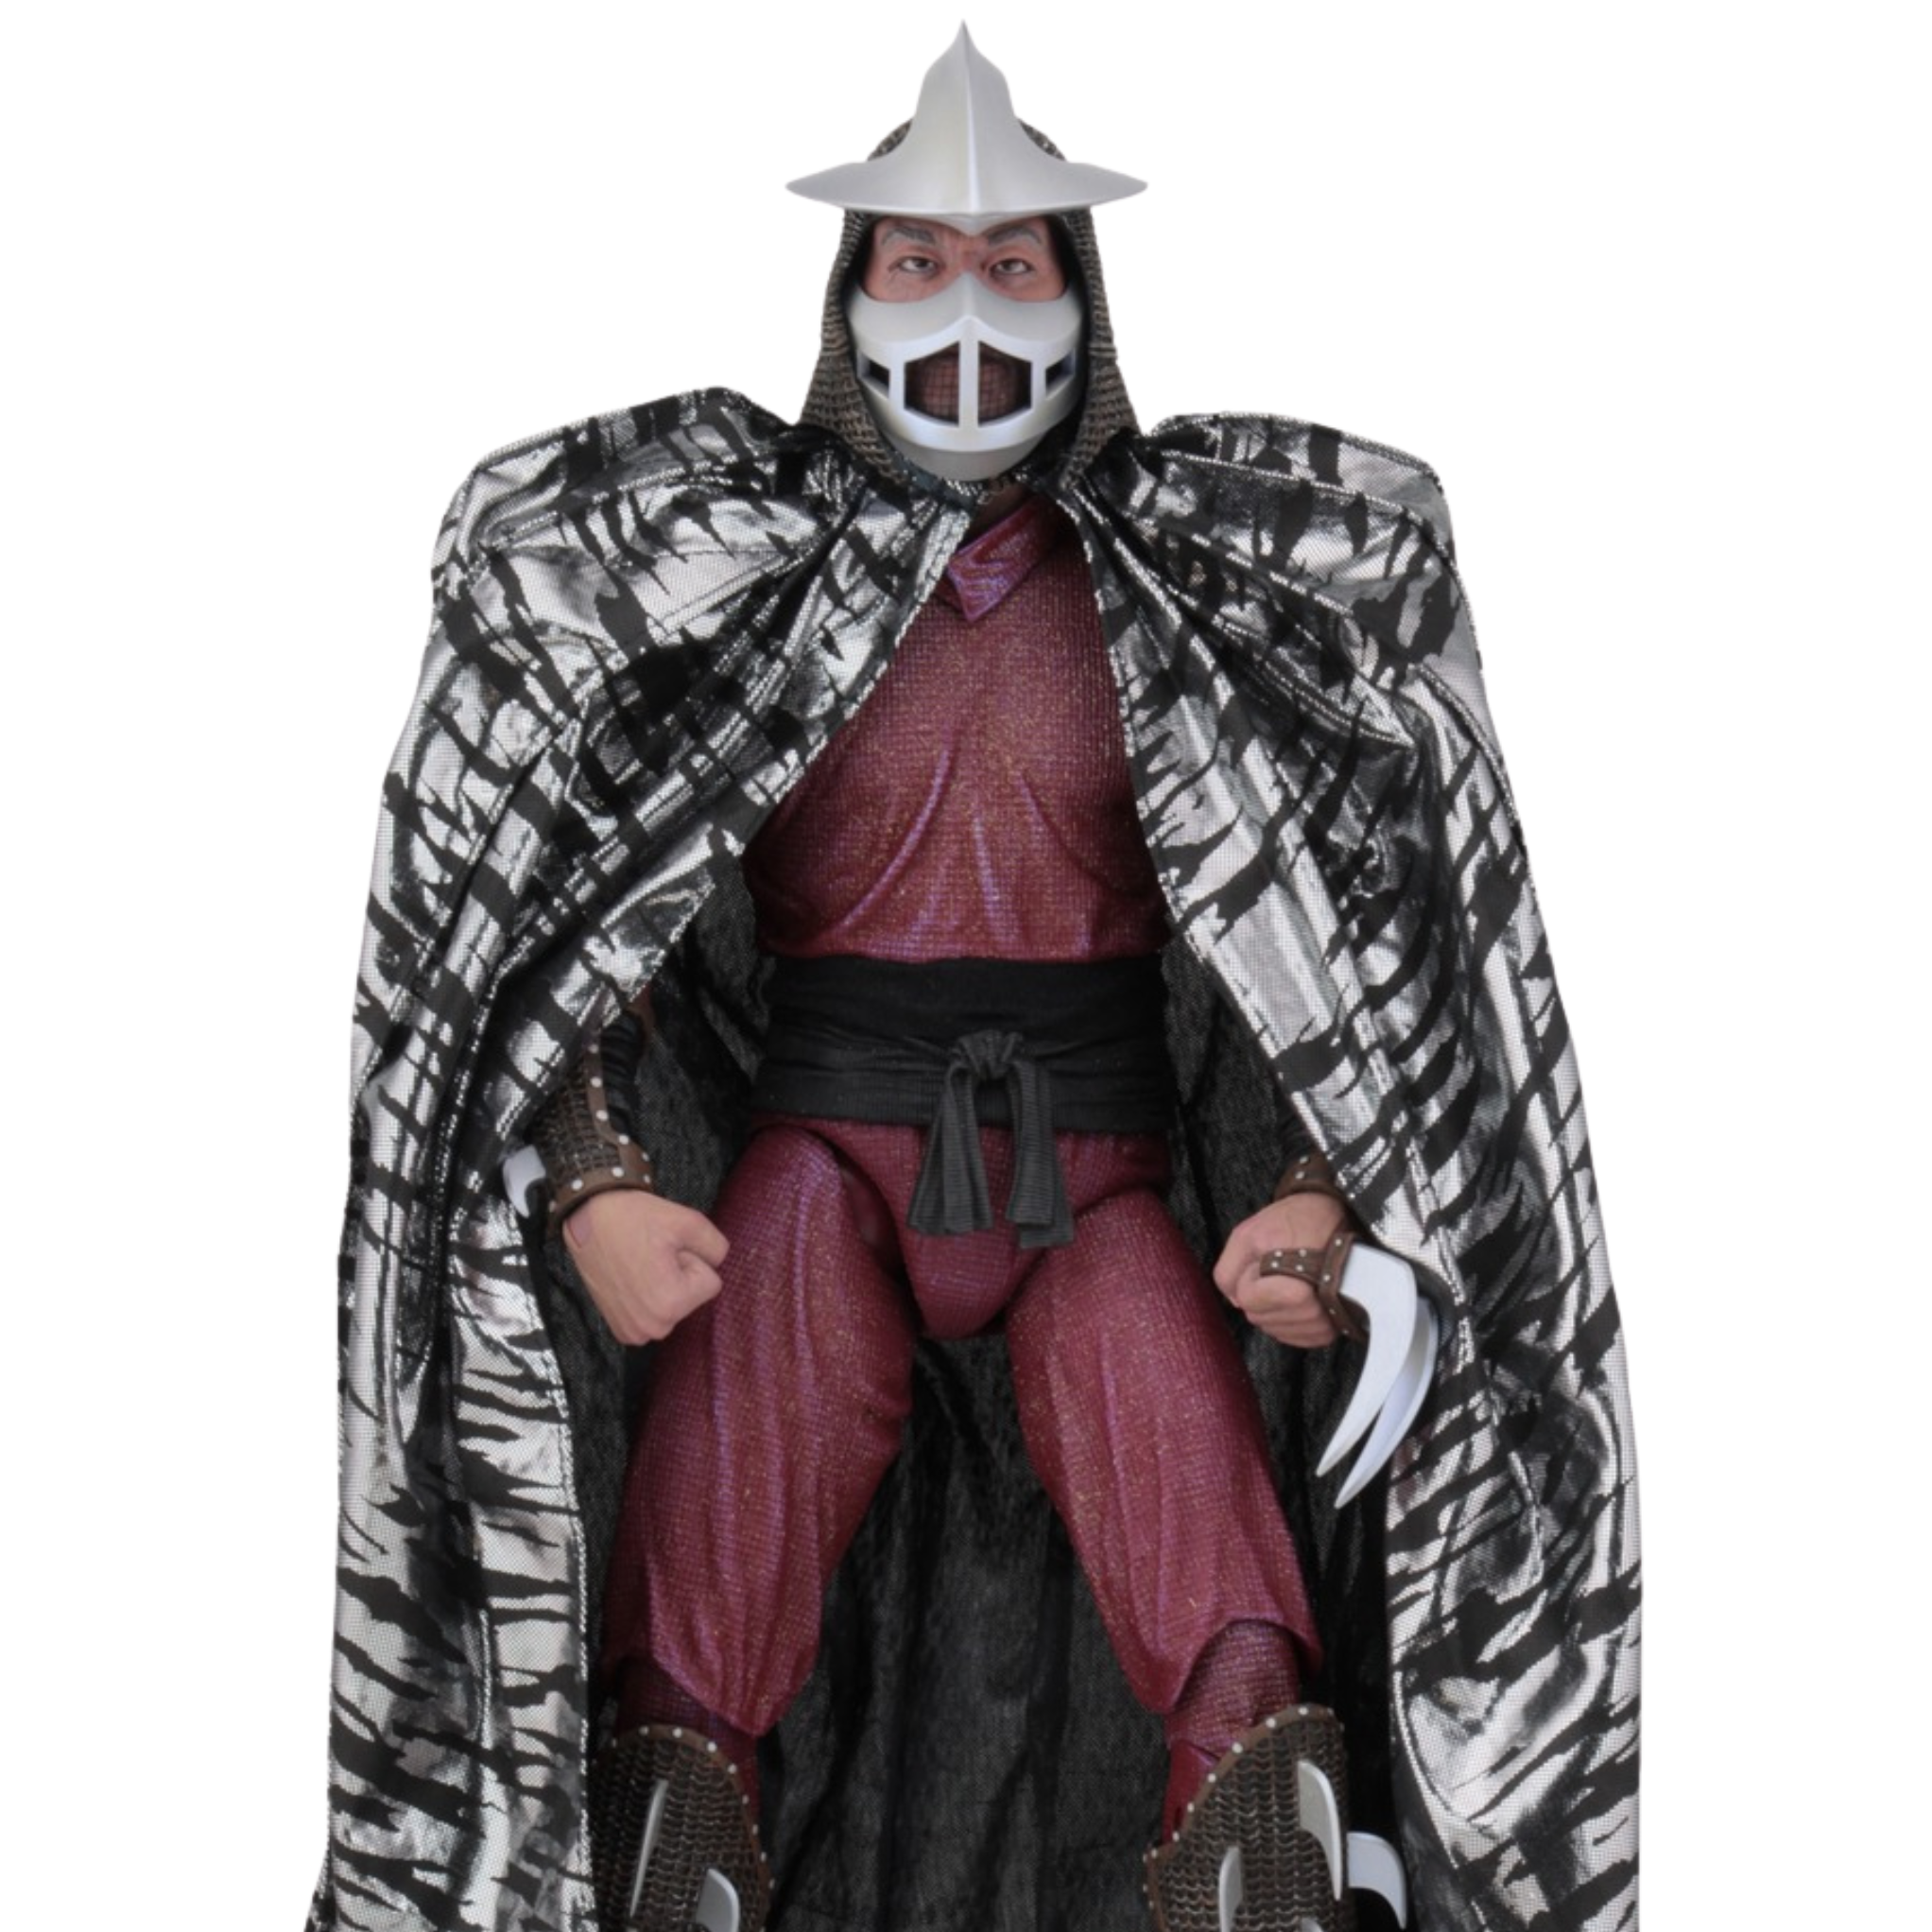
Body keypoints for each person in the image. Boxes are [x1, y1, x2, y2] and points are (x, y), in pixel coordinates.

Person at [315, 29, 1639, 1932]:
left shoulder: (1191, 594)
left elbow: (1318, 931)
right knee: (702, 1587)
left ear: (1080, 298)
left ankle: (1266, 1849)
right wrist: (592, 1174)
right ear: (848, 294)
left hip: (1099, 1176)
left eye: (1012, 261)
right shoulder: (742, 587)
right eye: (916, 259)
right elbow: (580, 902)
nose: (962, 306)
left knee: (1215, 1572)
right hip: (820, 1164)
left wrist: (1316, 1184)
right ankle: (661, 1852)